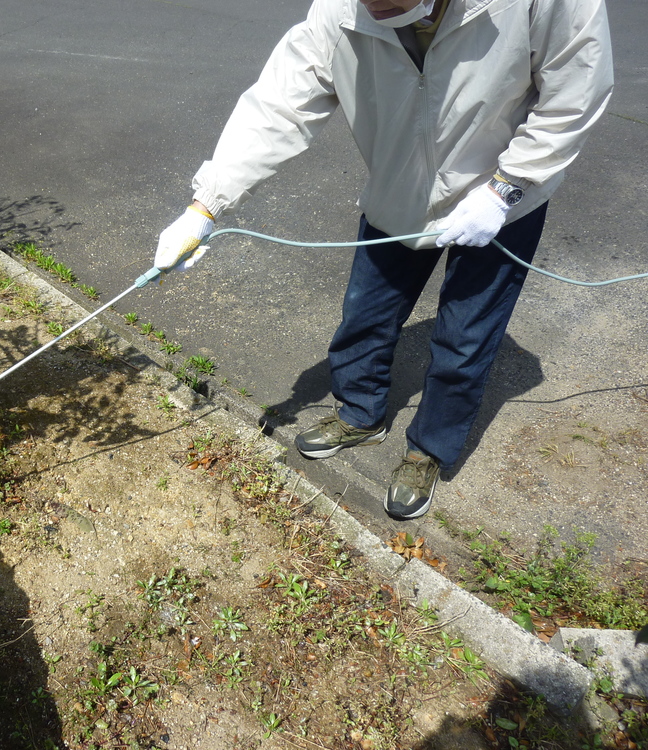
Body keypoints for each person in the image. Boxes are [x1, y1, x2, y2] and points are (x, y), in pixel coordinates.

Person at [154, 0, 613, 520]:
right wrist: (205, 207)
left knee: (465, 338)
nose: (380, 7)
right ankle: (359, 413)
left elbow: (577, 90)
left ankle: (428, 450)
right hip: (398, 191)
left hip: (498, 199)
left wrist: (507, 188)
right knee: (366, 313)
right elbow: (279, 104)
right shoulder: (339, 12)